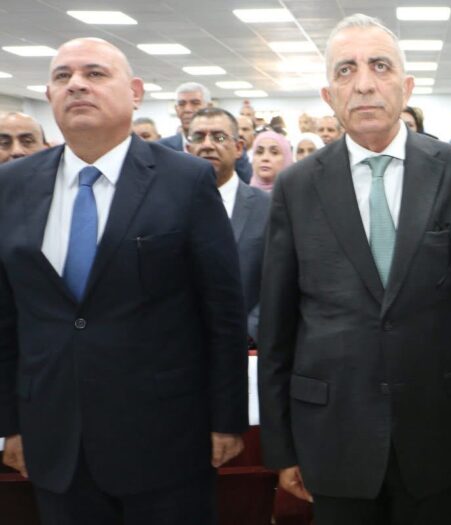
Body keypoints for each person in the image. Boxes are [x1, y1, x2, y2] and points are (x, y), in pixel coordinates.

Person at [257, 14, 451, 525]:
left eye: (380, 66)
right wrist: (280, 444)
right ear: (329, 95)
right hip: (333, 434)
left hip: (442, 428)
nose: (364, 83)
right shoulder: (297, 186)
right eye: (346, 70)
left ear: (406, 85)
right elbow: (277, 327)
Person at [0, 37, 246, 524]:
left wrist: (227, 418)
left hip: (166, 439)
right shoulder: (12, 185)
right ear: (48, 96)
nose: (76, 85)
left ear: (134, 92)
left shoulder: (185, 180)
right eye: (62, 76)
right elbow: (6, 317)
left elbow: (222, 311)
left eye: (94, 73)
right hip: (54, 439)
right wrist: (11, 422)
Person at [186, 107, 270, 341]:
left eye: (219, 137)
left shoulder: (267, 207)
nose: (208, 145)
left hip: (246, 344)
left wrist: (248, 331)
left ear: (239, 148)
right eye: (198, 137)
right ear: (188, 149)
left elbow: (278, 281)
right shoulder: (168, 205)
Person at [158, 82, 209, 152]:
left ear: (209, 107)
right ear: (176, 109)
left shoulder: (220, 141)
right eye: (181, 104)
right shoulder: (161, 148)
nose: (187, 109)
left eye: (195, 103)